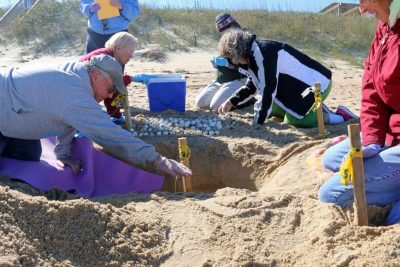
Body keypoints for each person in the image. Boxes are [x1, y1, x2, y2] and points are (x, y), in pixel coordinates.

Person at [0, 55, 192, 178]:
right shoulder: (76, 94)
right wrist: (157, 160)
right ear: (96, 75)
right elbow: (109, 135)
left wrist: (62, 154)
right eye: (111, 89)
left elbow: (65, 117)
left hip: (12, 114)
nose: (110, 95)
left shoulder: (76, 74)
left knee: (29, 154)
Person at [318, 0, 400, 217]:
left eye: (367, 1)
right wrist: (373, 141)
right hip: (390, 134)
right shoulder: (385, 29)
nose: (362, 9)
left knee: (331, 195)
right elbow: (371, 89)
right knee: (331, 159)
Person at [216, 29, 357, 128]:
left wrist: (257, 122)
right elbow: (251, 86)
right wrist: (231, 102)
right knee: (275, 109)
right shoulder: (253, 56)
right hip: (299, 90)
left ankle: (340, 116)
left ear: (236, 51)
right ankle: (319, 109)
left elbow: (268, 88)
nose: (233, 62)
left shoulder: (262, 52)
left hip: (318, 84)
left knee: (295, 120)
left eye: (230, 58)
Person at [195, 13, 252, 111]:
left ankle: (248, 99)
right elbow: (226, 59)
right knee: (200, 103)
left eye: (225, 31)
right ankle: (223, 92)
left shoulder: (245, 39)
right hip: (220, 80)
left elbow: (249, 68)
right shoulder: (226, 39)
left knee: (215, 106)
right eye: (221, 32)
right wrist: (217, 64)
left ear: (233, 25)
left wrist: (228, 65)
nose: (223, 35)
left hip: (237, 80)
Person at [79, 31, 139, 122]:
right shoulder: (105, 58)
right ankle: (114, 114)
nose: (132, 55)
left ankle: (114, 114)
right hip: (79, 96)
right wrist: (129, 78)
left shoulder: (107, 55)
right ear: (118, 48)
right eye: (130, 50)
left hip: (82, 94)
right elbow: (112, 83)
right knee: (120, 83)